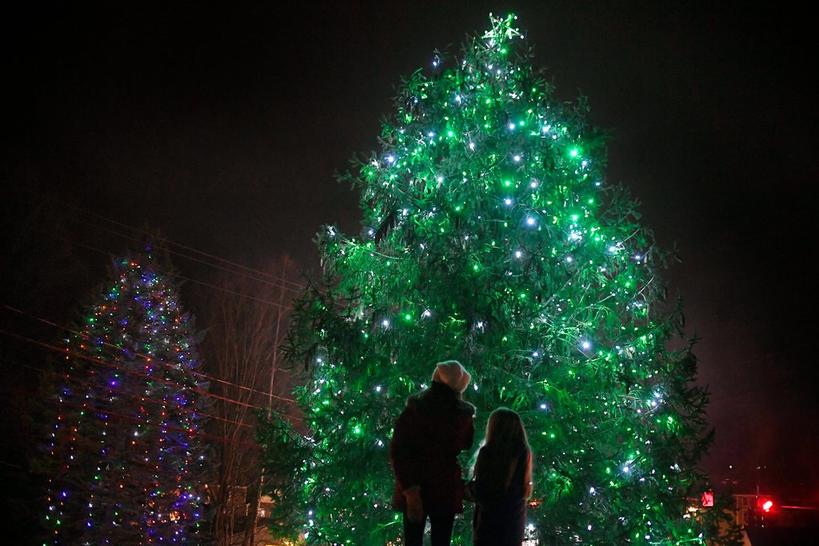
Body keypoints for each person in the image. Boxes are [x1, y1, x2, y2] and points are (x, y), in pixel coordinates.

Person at [390, 360, 476, 546]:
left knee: (413, 540)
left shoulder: (414, 409)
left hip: (414, 484)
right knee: (441, 540)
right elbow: (466, 443)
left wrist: (410, 489)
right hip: (444, 486)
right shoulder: (462, 415)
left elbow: (398, 451)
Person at [466, 407, 533, 546]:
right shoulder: (523, 453)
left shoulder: (488, 453)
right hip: (514, 521)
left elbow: (482, 491)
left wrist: (463, 488)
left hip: (489, 524)